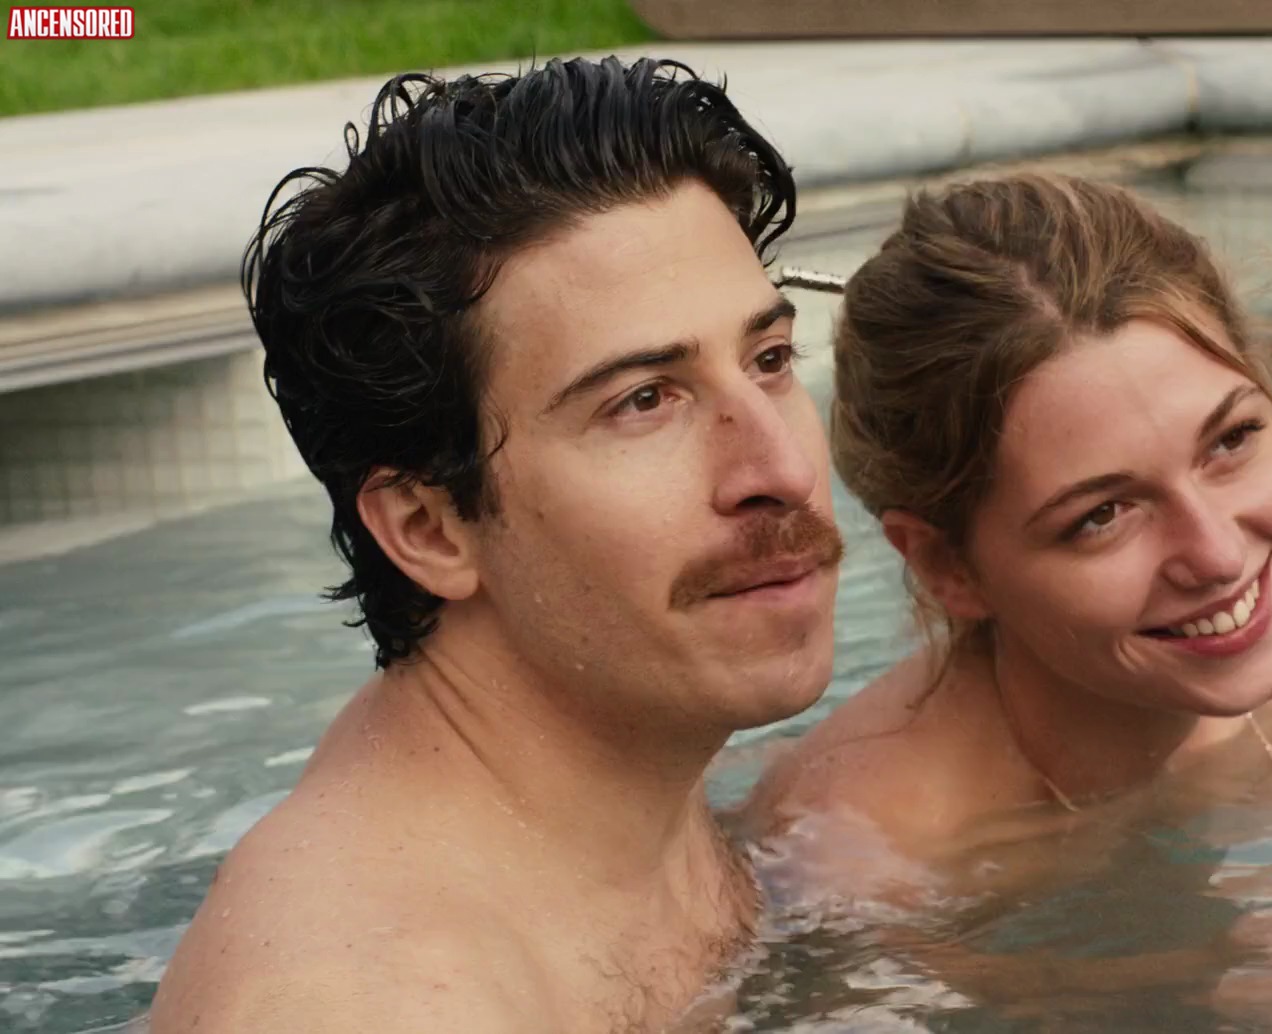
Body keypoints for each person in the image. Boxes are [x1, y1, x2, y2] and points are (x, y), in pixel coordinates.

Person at [147, 57, 844, 1034]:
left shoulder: (619, 755)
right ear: (429, 528)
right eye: (644, 400)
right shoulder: (371, 1004)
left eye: (769, 359)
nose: (781, 469)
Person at [744, 172, 1272, 903]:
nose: (1220, 556)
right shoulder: (867, 855)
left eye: (1231, 440)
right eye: (1103, 515)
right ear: (949, 567)